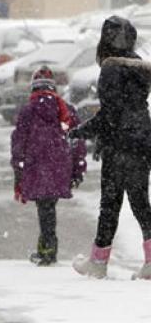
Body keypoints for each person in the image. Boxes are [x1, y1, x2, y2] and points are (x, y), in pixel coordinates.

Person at [70, 16, 151, 279]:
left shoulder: (111, 69)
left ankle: (98, 262)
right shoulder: (140, 68)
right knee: (141, 204)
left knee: (110, 205)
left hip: (119, 146)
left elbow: (110, 114)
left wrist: (81, 131)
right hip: (141, 143)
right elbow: (132, 109)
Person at [11, 65, 87, 266]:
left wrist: (18, 168)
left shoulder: (28, 111)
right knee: (48, 206)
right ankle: (47, 248)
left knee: (45, 207)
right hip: (60, 167)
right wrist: (78, 169)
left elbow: (18, 142)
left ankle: (47, 250)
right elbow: (77, 141)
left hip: (36, 166)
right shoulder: (66, 110)